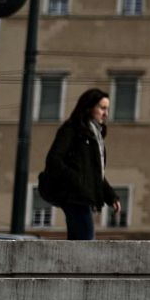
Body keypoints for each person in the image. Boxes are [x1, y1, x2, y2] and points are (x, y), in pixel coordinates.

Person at [38, 88, 120, 240]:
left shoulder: (95, 136)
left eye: (107, 109)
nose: (106, 114)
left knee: (79, 242)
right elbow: (54, 160)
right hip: (73, 196)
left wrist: (111, 197)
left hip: (82, 196)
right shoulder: (72, 129)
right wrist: (77, 180)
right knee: (86, 241)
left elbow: (96, 174)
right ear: (89, 108)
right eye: (102, 108)